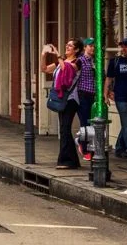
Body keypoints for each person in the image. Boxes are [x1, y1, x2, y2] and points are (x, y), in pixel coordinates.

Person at [40, 39, 84, 169]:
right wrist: (43, 55)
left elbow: (67, 70)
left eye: (70, 45)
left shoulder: (77, 62)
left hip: (71, 100)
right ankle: (72, 160)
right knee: (64, 129)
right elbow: (45, 69)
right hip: (62, 99)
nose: (67, 47)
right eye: (67, 45)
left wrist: (58, 54)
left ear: (76, 50)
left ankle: (66, 161)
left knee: (65, 128)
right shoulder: (61, 62)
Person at [76, 37, 97, 160]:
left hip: (92, 95)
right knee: (85, 122)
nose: (92, 48)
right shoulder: (81, 60)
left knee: (92, 122)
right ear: (85, 48)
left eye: (94, 46)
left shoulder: (94, 61)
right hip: (82, 94)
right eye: (90, 46)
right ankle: (84, 148)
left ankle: (83, 141)